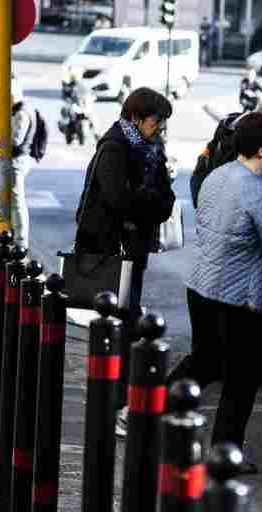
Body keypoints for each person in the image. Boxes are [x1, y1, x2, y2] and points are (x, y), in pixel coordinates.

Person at [165, 113, 262, 474]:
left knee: (206, 360)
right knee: (241, 378)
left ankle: (151, 403)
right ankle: (224, 452)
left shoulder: (216, 176)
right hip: (239, 296)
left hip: (201, 284)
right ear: (260, 150)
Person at [73, 88, 176, 437]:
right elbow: (118, 198)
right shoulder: (116, 146)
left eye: (163, 121)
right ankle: (118, 406)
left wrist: (149, 201)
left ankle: (121, 403)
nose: (160, 127)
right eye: (155, 120)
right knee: (124, 326)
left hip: (135, 248)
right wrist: (148, 201)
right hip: (114, 251)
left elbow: (165, 199)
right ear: (135, 116)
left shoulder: (150, 149)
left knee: (126, 324)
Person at [10, 79, 38, 249]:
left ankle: (21, 240)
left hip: (18, 160)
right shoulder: (21, 109)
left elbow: (15, 140)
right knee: (14, 200)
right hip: (18, 158)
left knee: (17, 200)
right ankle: (18, 237)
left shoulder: (21, 113)